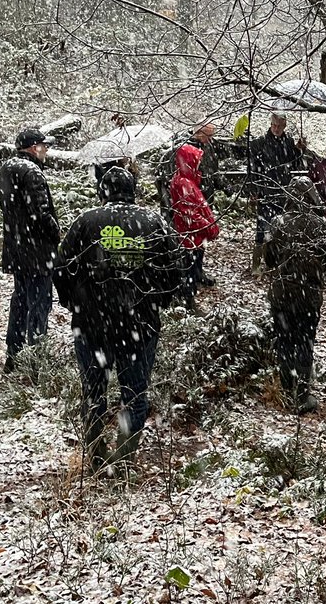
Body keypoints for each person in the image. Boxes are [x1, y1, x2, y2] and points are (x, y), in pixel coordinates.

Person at [53, 167, 184, 469]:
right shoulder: (153, 222)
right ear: (133, 190)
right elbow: (176, 267)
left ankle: (98, 460)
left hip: (91, 326)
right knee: (135, 395)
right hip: (138, 325)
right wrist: (159, 299)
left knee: (94, 392)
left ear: (103, 190)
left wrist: (73, 301)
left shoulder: (85, 222)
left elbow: (60, 267)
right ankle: (123, 459)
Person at [264, 178, 326, 414]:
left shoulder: (277, 223)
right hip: (309, 295)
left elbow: (270, 258)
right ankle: (302, 394)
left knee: (285, 341)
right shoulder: (322, 226)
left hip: (282, 294)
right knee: (305, 342)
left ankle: (287, 390)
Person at [0, 127, 61, 374]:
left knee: (20, 300)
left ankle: (13, 355)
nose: (46, 150)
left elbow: (10, 209)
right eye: (44, 146)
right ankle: (36, 360)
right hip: (37, 251)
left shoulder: (6, 168)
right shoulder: (32, 171)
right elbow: (40, 212)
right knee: (39, 303)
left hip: (16, 248)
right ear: (35, 147)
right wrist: (55, 232)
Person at [248, 112, 305, 274]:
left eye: (280, 126)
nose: (276, 128)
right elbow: (252, 169)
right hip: (265, 191)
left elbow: (295, 166)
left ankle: (275, 262)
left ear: (284, 126)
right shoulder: (260, 143)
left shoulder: (289, 143)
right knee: (262, 229)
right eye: (274, 125)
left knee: (281, 229)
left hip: (283, 192)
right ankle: (256, 265)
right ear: (270, 124)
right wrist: (254, 191)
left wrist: (299, 151)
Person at [170, 143, 220, 305]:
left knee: (193, 266)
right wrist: (210, 228)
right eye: (196, 161)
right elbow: (191, 214)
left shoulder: (187, 181)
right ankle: (188, 301)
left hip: (193, 238)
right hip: (190, 238)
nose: (199, 164)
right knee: (189, 271)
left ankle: (188, 295)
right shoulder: (184, 184)